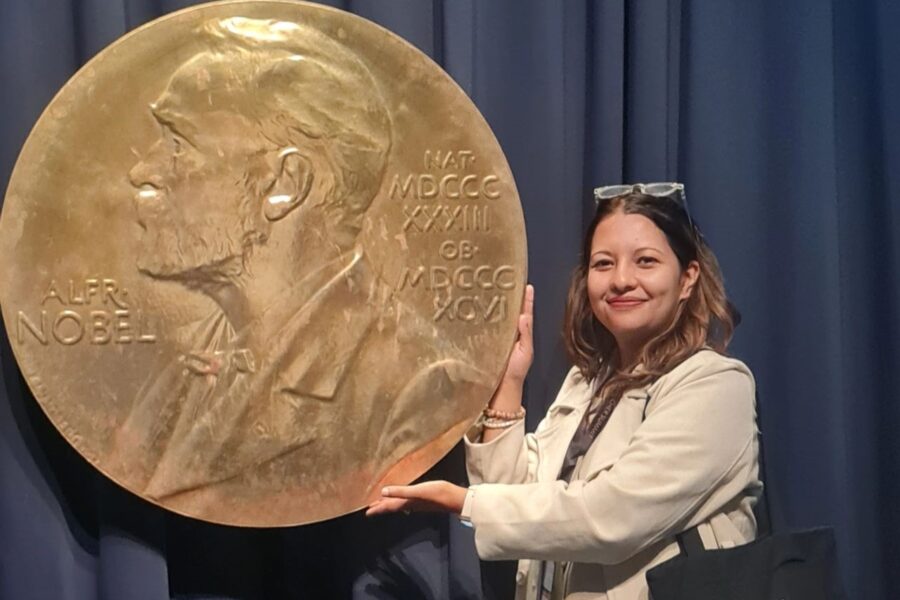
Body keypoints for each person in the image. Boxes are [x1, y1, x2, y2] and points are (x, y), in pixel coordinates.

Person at [112, 16, 492, 523]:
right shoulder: (185, 374)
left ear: (284, 182)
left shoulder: (420, 390)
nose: (144, 172)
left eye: (179, 144)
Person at [368, 183, 762, 599]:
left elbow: (611, 517)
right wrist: (511, 382)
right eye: (603, 264)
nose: (622, 280)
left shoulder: (715, 385)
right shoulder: (586, 382)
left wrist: (462, 502)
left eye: (646, 261)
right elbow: (519, 500)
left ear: (687, 279)